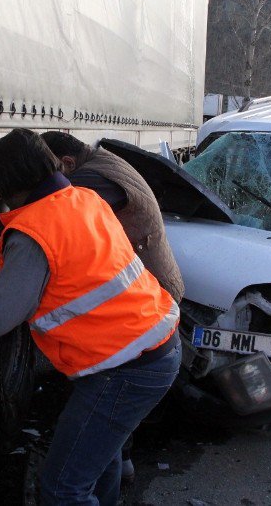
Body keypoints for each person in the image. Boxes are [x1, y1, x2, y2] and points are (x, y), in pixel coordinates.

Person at [0, 128, 180, 505]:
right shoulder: (83, 198)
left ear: (4, 185)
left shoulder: (33, 231)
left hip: (125, 369)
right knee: (100, 463)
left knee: (62, 488)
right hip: (154, 348)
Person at [39, 131, 185, 482]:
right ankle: (118, 464)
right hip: (151, 290)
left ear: (68, 164)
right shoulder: (101, 162)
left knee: (114, 399)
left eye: (51, 171)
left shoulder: (90, 180)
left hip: (147, 298)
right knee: (115, 409)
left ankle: (118, 463)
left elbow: (62, 217)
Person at [39, 131, 184, 303]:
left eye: (49, 174)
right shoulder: (101, 160)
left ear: (68, 163)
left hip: (156, 294)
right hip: (155, 284)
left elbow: (48, 215)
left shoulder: (93, 178)